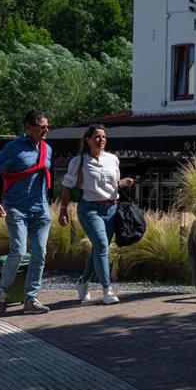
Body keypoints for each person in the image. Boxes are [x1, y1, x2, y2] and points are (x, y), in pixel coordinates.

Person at [0, 110, 54, 315]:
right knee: (19, 251)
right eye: (42, 127)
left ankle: (31, 299)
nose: (46, 130)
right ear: (29, 128)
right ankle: (2, 292)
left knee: (40, 253)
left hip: (40, 209)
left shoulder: (47, 149)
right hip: (16, 209)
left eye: (47, 126)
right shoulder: (12, 148)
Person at [58, 124, 134, 305]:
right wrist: (63, 210)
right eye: (97, 137)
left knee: (98, 249)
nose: (101, 140)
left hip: (112, 209)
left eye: (104, 137)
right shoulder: (78, 161)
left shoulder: (113, 159)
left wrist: (123, 183)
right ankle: (107, 290)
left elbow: (114, 183)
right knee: (101, 245)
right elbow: (67, 187)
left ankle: (83, 282)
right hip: (90, 209)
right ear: (88, 140)